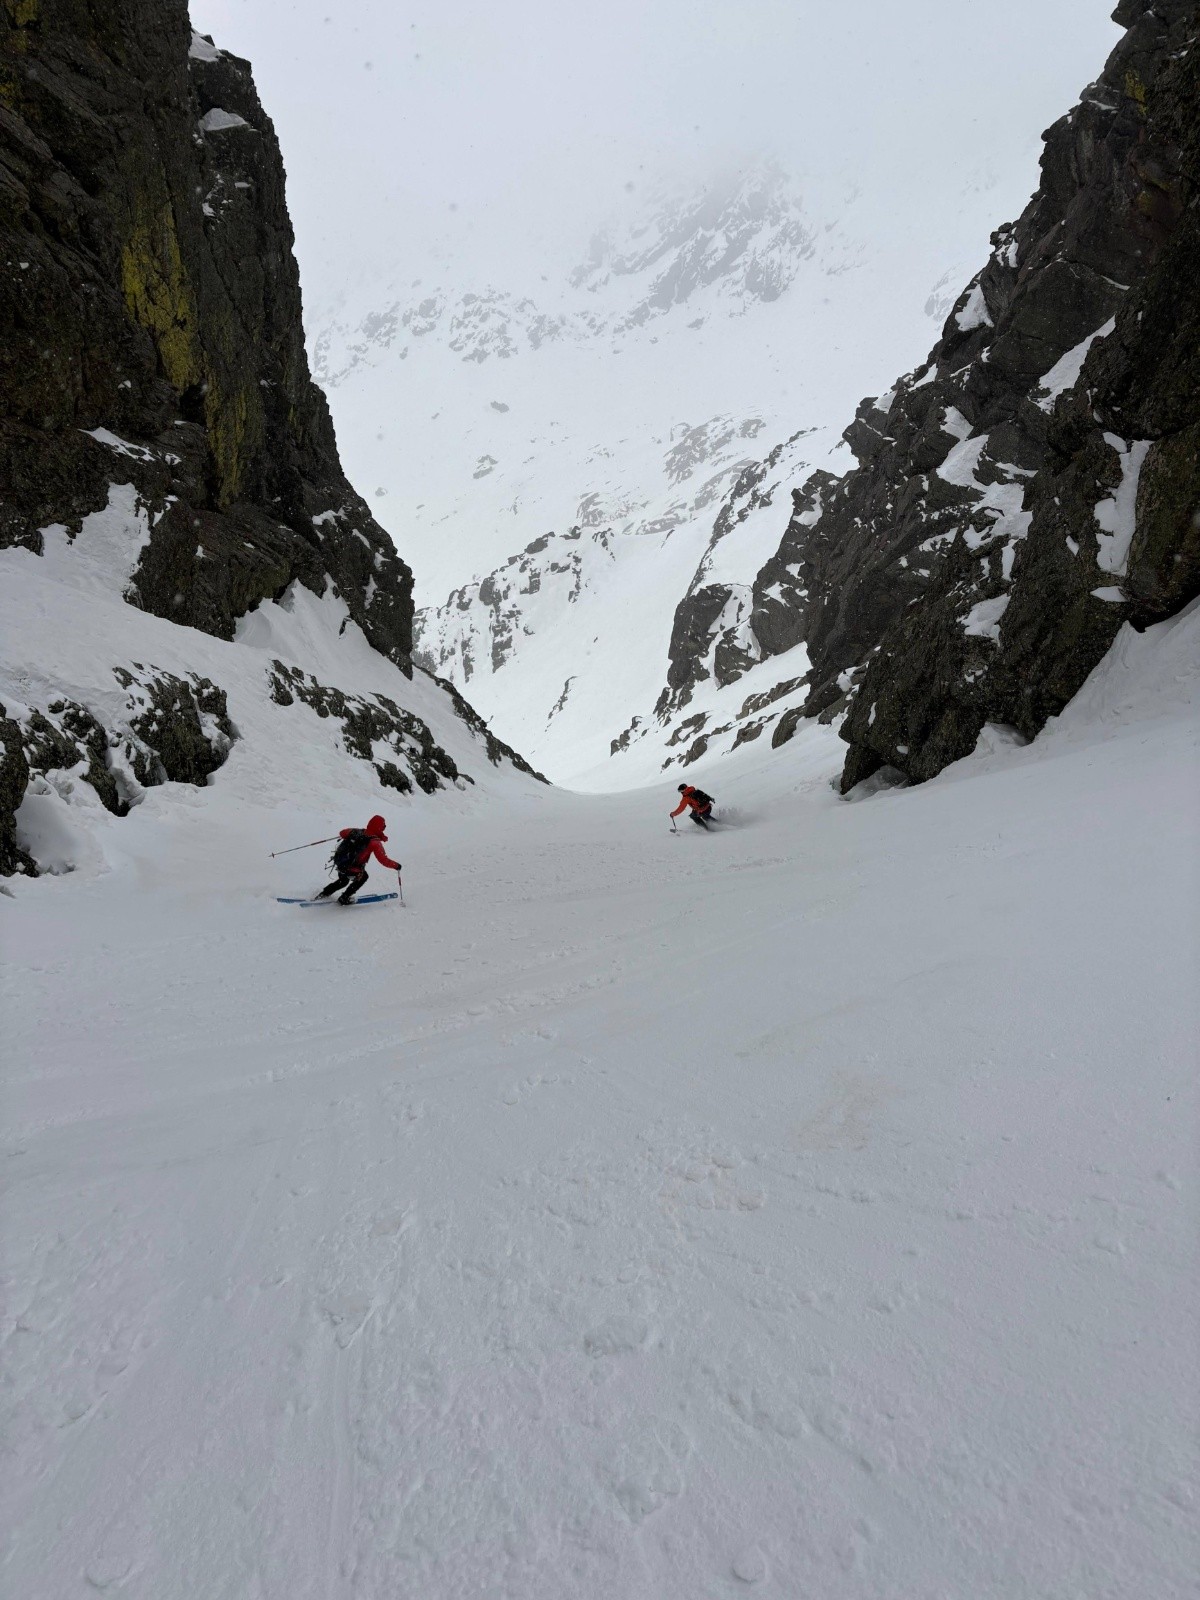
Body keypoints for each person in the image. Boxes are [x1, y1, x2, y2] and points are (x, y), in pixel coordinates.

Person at [317, 814, 401, 903]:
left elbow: (342, 833)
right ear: (380, 828)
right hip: (352, 867)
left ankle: (323, 894)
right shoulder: (375, 842)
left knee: (343, 881)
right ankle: (344, 898)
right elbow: (383, 860)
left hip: (341, 862)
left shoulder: (357, 831)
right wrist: (396, 866)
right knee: (364, 876)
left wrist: (353, 835)